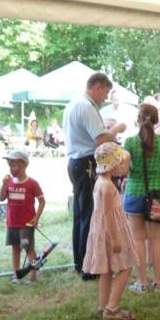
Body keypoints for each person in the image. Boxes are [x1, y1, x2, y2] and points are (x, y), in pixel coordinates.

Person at [64, 72, 115, 279]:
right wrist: (116, 129)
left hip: (76, 161)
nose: (105, 98)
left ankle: (80, 262)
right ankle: (88, 266)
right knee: (90, 214)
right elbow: (100, 138)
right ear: (97, 87)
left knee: (80, 214)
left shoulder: (74, 104)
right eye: (105, 92)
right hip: (86, 163)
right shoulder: (86, 106)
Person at [83, 142, 139, 320]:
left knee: (106, 270)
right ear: (112, 164)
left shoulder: (101, 182)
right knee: (126, 267)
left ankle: (103, 306)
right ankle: (112, 307)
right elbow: (107, 214)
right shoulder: (107, 186)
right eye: (120, 163)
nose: (123, 166)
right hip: (111, 230)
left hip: (102, 230)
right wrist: (115, 239)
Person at [123, 103, 160, 292]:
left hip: (135, 191)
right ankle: (157, 280)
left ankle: (142, 281)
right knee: (157, 238)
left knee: (138, 238)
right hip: (156, 192)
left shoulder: (130, 142)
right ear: (157, 120)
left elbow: (127, 169)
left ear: (138, 119)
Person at [0, 149, 45, 283]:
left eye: (13, 165)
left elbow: (42, 201)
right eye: (9, 166)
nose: (11, 169)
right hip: (12, 223)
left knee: (28, 249)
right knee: (15, 249)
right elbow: (1, 198)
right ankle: (16, 274)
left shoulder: (32, 183)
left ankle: (33, 276)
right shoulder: (9, 182)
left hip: (25, 225)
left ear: (24, 165)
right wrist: (4, 185)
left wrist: (36, 217)